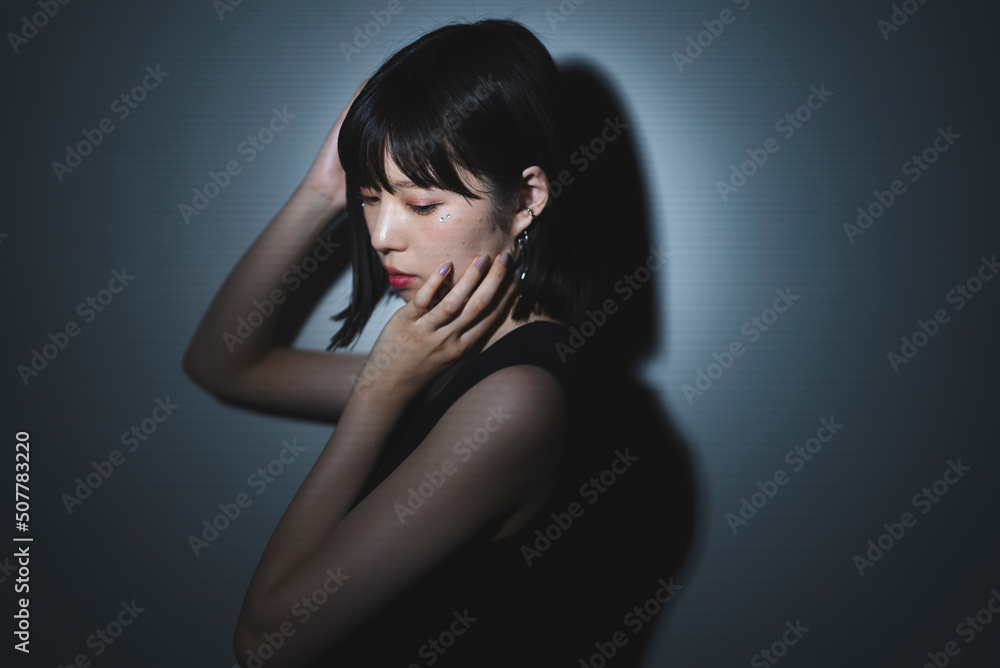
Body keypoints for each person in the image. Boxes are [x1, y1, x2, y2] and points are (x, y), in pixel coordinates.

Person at [184, 18, 669, 667]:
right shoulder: (458, 358)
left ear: (526, 199)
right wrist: (321, 191)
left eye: (420, 204)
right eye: (368, 197)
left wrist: (378, 395)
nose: (380, 235)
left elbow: (263, 644)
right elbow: (223, 363)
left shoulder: (517, 401)